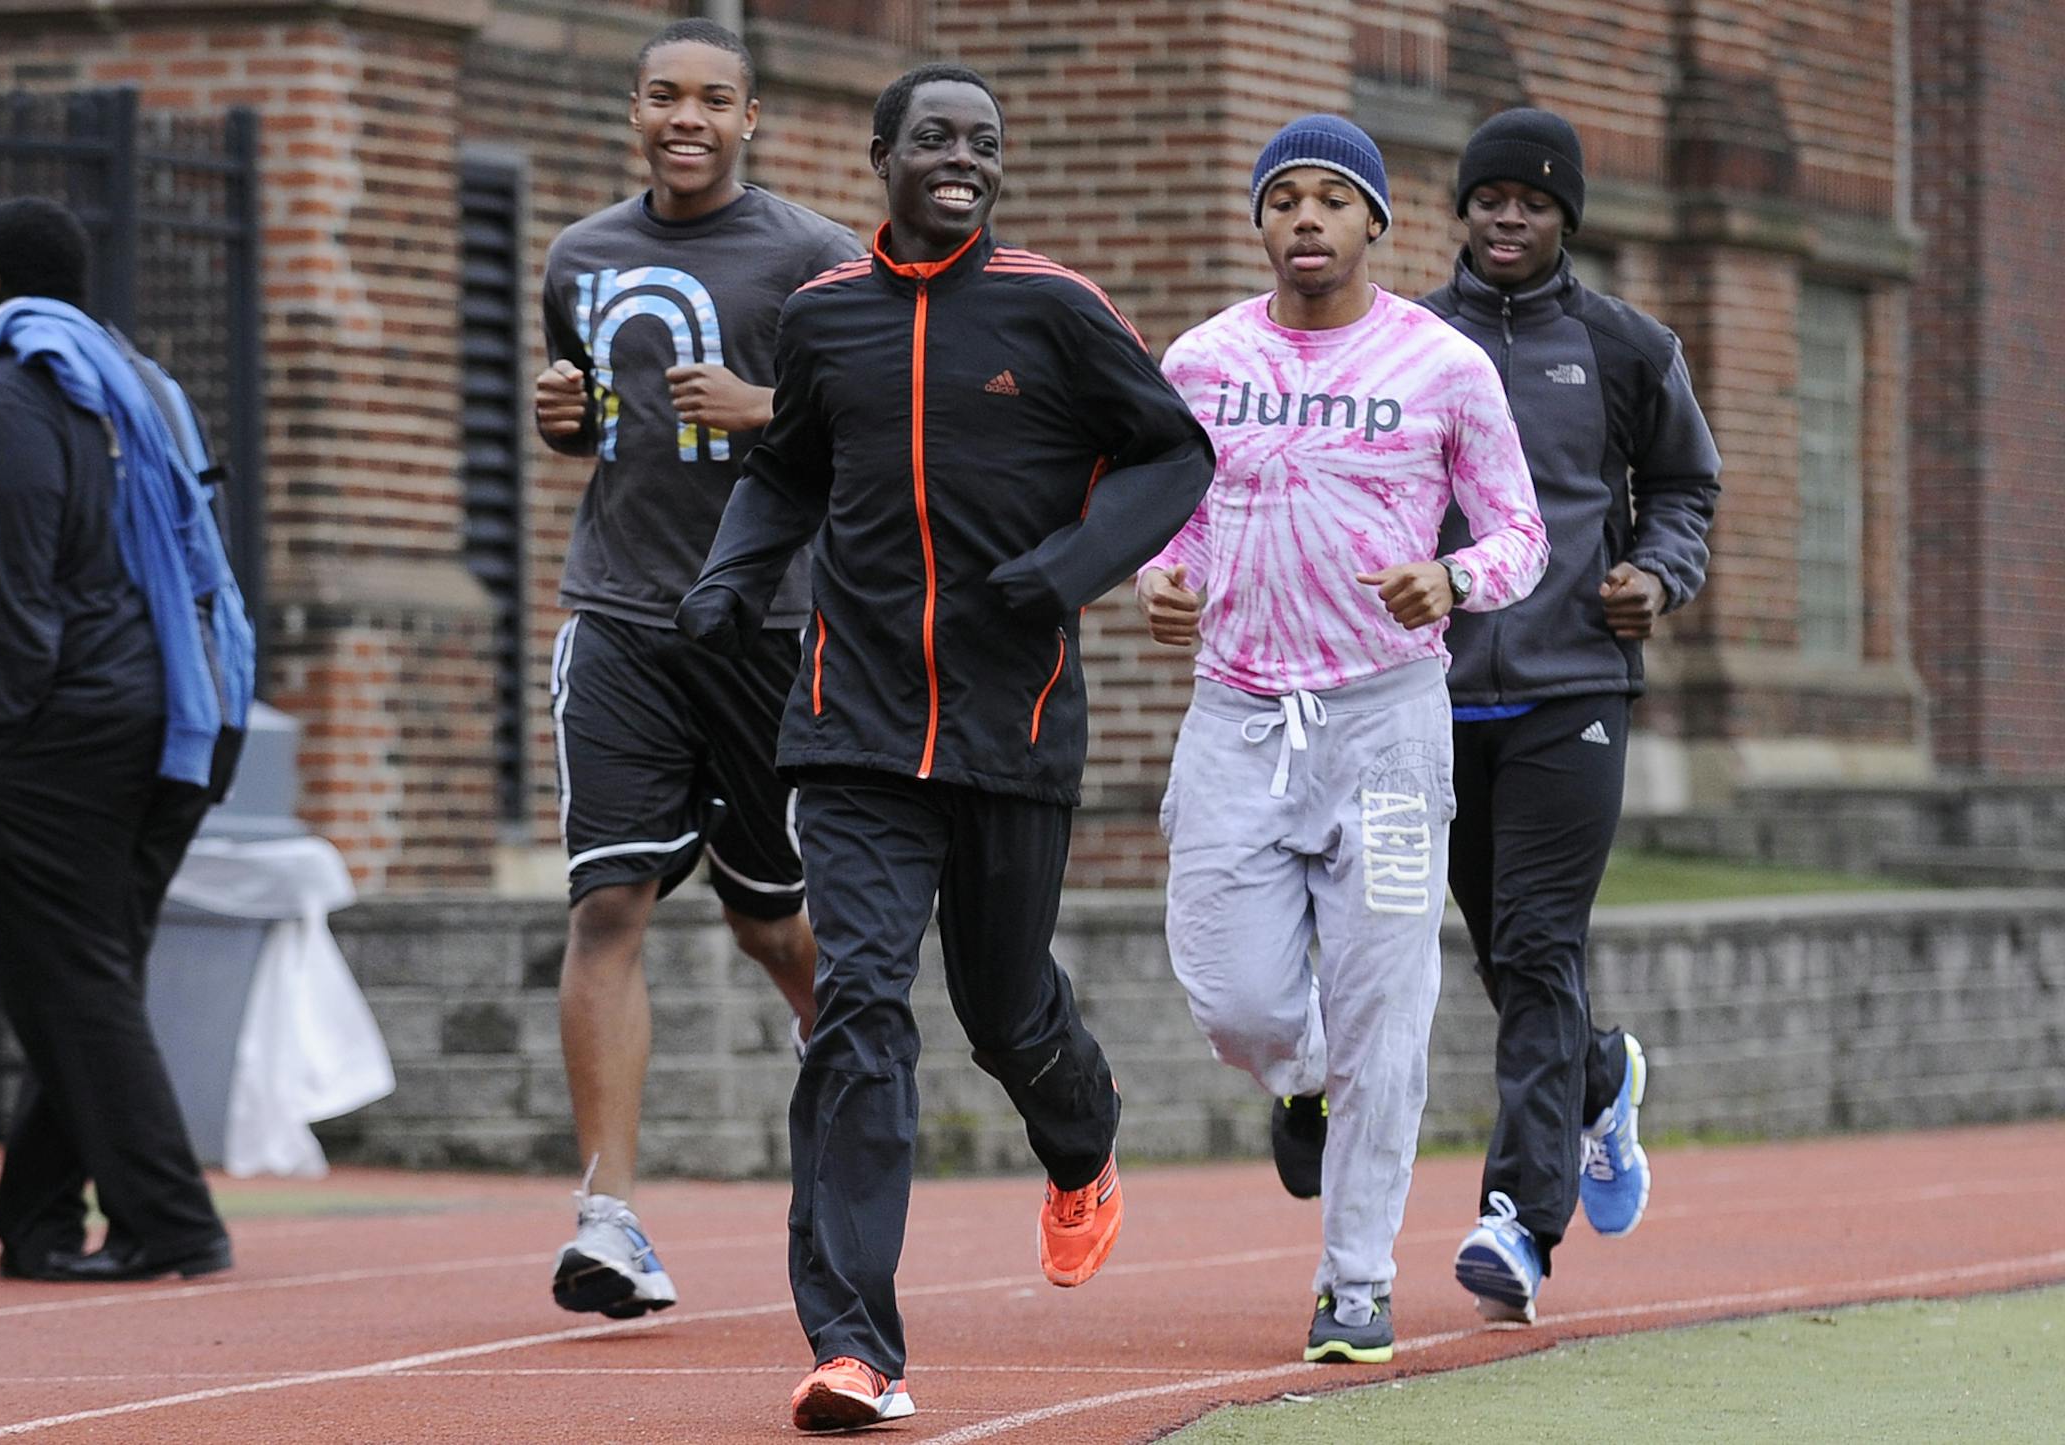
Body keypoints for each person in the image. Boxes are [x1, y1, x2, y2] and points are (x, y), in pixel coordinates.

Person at [677, 62, 1215, 1434]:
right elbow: (790, 465)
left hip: (1009, 728)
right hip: (851, 727)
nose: (961, 157)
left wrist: (1069, 566)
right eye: (934, 137)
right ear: (882, 157)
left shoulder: (1055, 307)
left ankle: (1081, 1138)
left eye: (982, 140)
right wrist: (736, 572)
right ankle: (855, 1344)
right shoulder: (823, 320)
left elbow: (1173, 456)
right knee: (857, 1005)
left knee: (1001, 1005)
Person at [1138, 116, 1548, 1366]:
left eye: (1331, 199)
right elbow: (1170, 515)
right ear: (1258, 223)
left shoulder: (1444, 364)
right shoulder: (1202, 362)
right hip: (1239, 719)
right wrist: (1165, 574)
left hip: (1386, 731)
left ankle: (1355, 1278)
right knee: (1232, 994)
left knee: (1392, 1006)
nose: (1305, 220)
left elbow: (1520, 537)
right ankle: (1302, 1069)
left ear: (1378, 222)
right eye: (1284, 200)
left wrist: (1451, 579)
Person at [533, 18, 863, 1322]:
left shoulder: (817, 260)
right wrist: (566, 426)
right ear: (633, 110)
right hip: (619, 618)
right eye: (664, 96)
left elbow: (879, 433)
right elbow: (604, 429)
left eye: (714, 100)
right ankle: (608, 1219)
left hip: (773, 629)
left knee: (773, 920)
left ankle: (841, 1056)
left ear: (751, 118)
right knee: (609, 906)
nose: (688, 118)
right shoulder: (581, 255)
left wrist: (769, 412)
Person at [0, 196, 253, 1283]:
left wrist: (2, 734)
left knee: (67, 978)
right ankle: (37, 1217)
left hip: (70, 729)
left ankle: (172, 1220)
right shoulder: (140, 382)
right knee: (86, 970)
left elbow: (13, 589)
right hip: (194, 712)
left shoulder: (12, 392)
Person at [1420, 107, 1720, 1324]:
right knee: (1504, 953)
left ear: (1565, 220)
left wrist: (1659, 571)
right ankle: (1602, 1076)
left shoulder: (1626, 346)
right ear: (1463, 207)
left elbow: (1686, 486)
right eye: (1491, 197)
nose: (1508, 217)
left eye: (1534, 203)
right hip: (1428, 696)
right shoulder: (1410, 341)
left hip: (1572, 688)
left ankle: (1518, 1221)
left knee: (1540, 944)